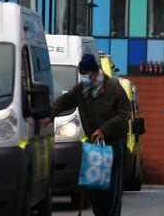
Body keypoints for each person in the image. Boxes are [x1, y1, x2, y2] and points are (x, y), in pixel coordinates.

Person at [39, 54, 131, 216]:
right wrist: (50, 115)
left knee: (112, 188)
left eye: (85, 73)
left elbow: (124, 114)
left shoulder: (114, 88)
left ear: (94, 72)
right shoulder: (82, 89)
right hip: (95, 144)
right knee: (95, 186)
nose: (83, 77)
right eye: (81, 73)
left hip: (114, 143)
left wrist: (104, 130)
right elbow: (64, 101)